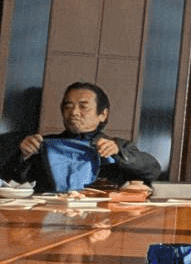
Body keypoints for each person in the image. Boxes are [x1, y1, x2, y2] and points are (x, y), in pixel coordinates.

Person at [5, 82, 162, 191]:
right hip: (49, 217)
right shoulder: (43, 145)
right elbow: (11, 181)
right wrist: (22, 155)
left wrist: (120, 154)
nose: (74, 112)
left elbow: (152, 170)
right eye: (68, 106)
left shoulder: (116, 146)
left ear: (103, 114)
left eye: (83, 107)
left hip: (100, 219)